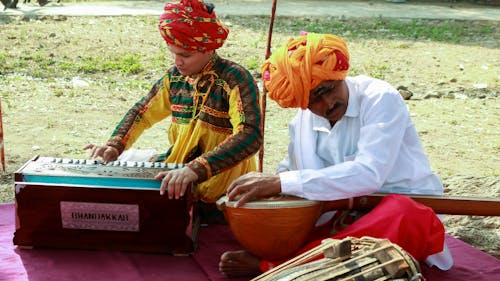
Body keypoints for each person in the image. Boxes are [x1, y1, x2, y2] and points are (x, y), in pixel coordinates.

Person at [219, 32, 453, 278]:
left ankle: (274, 268)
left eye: (329, 89)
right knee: (285, 226)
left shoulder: (379, 98)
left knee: (404, 212)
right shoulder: (301, 123)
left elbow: (368, 174)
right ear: (302, 103)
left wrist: (281, 182)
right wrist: (270, 192)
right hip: (338, 217)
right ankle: (291, 263)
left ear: (339, 74)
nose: (328, 102)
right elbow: (291, 172)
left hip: (400, 214)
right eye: (314, 100)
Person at [84, 0, 262, 207]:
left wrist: (196, 169)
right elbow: (142, 112)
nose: (177, 62)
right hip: (178, 170)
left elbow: (250, 134)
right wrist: (114, 145)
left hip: (223, 184)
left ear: (208, 48)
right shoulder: (175, 78)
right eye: (173, 53)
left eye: (185, 55)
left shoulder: (235, 78)